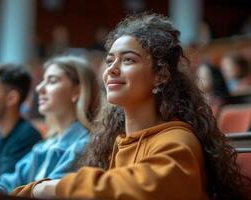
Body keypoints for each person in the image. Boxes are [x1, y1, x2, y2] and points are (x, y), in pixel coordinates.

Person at [13, 13, 249, 200]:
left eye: (128, 60)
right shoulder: (114, 142)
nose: (111, 69)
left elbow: (139, 189)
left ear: (161, 75)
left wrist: (55, 188)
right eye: (109, 60)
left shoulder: (178, 141)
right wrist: (32, 190)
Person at [0, 55, 100, 193]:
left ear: (77, 91)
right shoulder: (44, 146)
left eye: (52, 81)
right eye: (42, 80)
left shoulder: (85, 145)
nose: (39, 88)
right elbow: (10, 183)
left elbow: (50, 193)